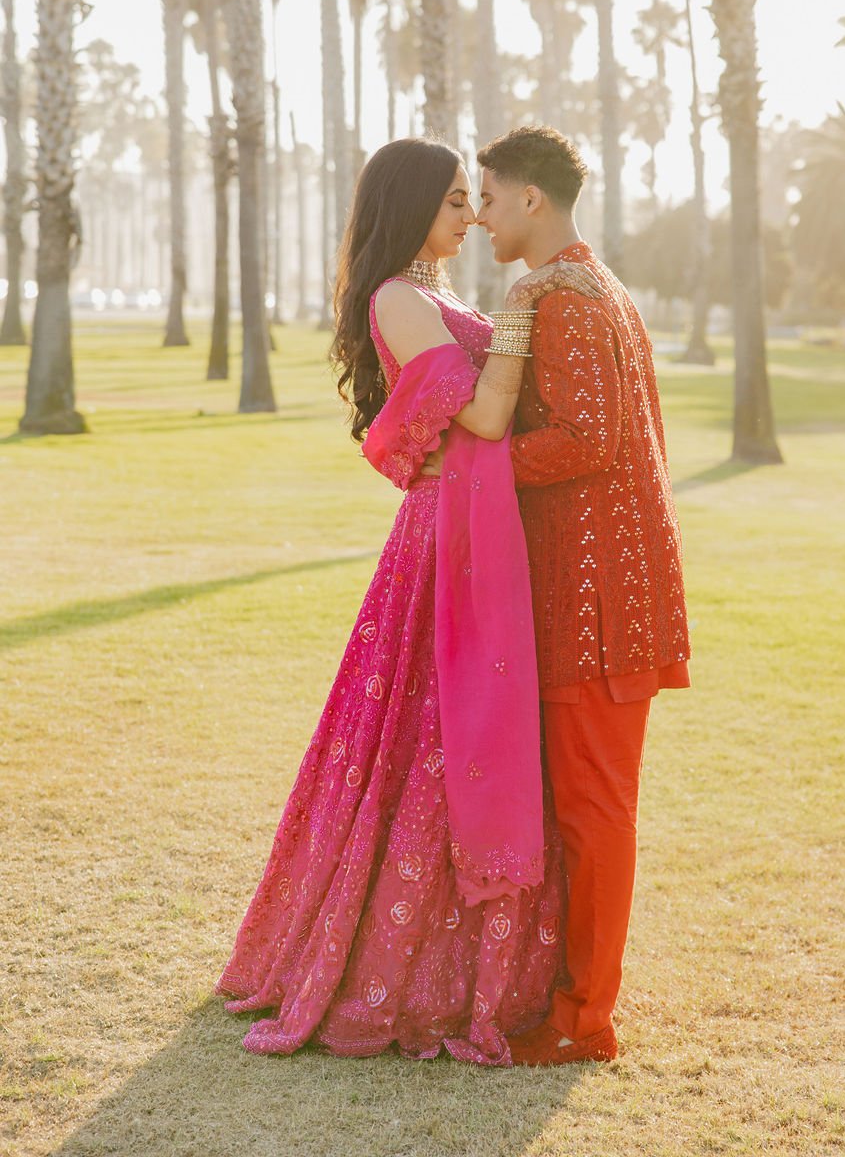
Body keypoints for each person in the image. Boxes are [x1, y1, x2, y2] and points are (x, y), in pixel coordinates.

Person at [216, 137, 596, 1067]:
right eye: (457, 201)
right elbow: (484, 418)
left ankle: (480, 965)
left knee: (454, 732)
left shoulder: (438, 296)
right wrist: (521, 313)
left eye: (477, 200)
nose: (473, 216)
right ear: (415, 203)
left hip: (474, 530)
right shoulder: (397, 295)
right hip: (443, 548)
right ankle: (379, 966)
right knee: (421, 735)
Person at [474, 124, 691, 1067]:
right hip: (607, 587)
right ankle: (571, 1001)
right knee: (587, 808)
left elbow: (587, 440)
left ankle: (582, 1021)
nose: (477, 215)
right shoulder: (591, 285)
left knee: (594, 812)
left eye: (485, 197)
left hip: (600, 601)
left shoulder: (560, 298)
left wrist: (471, 467)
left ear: (529, 198)